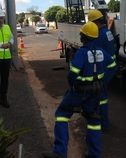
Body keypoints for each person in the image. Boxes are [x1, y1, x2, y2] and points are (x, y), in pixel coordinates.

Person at [43, 22, 117, 158]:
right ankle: (94, 154)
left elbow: (73, 74)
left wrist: (72, 86)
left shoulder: (81, 53)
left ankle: (60, 152)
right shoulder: (101, 52)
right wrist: (103, 82)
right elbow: (113, 65)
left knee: (61, 114)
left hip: (79, 93)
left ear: (83, 37)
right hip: (95, 93)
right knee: (94, 120)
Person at [88, 9, 117, 131]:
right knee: (102, 97)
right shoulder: (106, 32)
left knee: (101, 98)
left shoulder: (99, 35)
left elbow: (95, 53)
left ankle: (103, 123)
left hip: (104, 69)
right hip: (110, 67)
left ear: (95, 22)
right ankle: (103, 122)